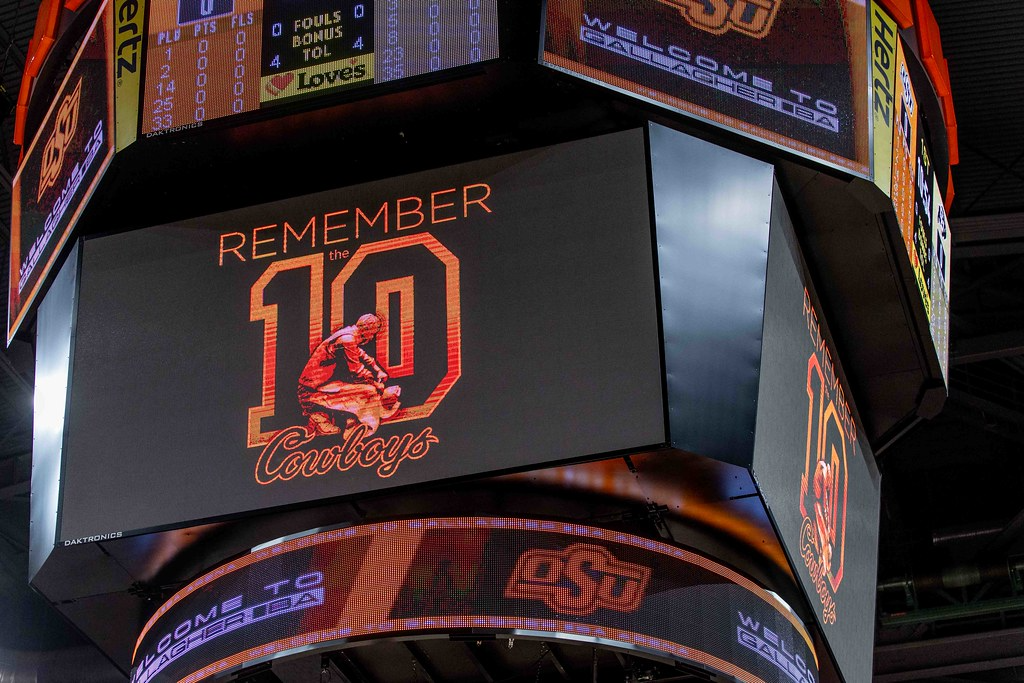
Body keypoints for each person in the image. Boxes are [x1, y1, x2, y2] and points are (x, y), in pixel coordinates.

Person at [297, 313, 401, 437]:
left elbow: (360, 354)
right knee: (369, 391)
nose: (372, 337)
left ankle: (351, 419)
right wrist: (375, 384)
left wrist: (377, 369)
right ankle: (358, 427)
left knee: (365, 389)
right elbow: (357, 372)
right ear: (367, 330)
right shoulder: (347, 339)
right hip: (310, 391)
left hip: (321, 385)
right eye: (373, 333)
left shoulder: (349, 334)